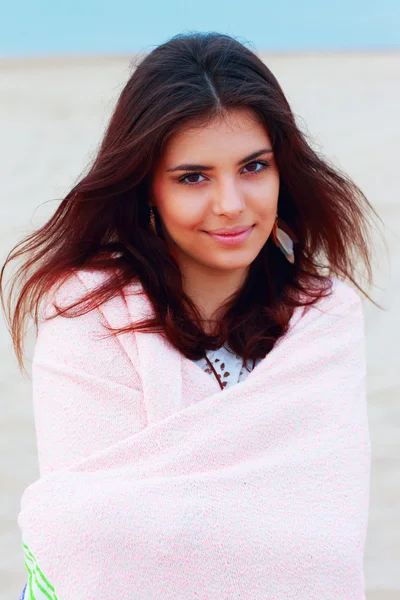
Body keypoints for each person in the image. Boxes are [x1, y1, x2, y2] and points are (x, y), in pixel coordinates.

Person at [1, 31, 383, 600]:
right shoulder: (88, 313)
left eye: (254, 167)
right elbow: (92, 534)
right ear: (147, 186)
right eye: (193, 177)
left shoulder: (323, 319)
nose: (230, 203)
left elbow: (327, 539)